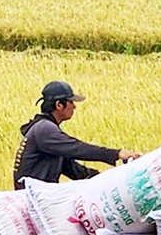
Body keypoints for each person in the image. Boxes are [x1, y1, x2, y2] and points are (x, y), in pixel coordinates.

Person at [12, 81, 142, 189]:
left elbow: (74, 170)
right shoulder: (44, 130)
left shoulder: (45, 130)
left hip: (40, 199)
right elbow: (77, 149)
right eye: (71, 102)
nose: (74, 107)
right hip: (31, 202)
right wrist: (116, 154)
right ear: (59, 105)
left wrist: (108, 180)